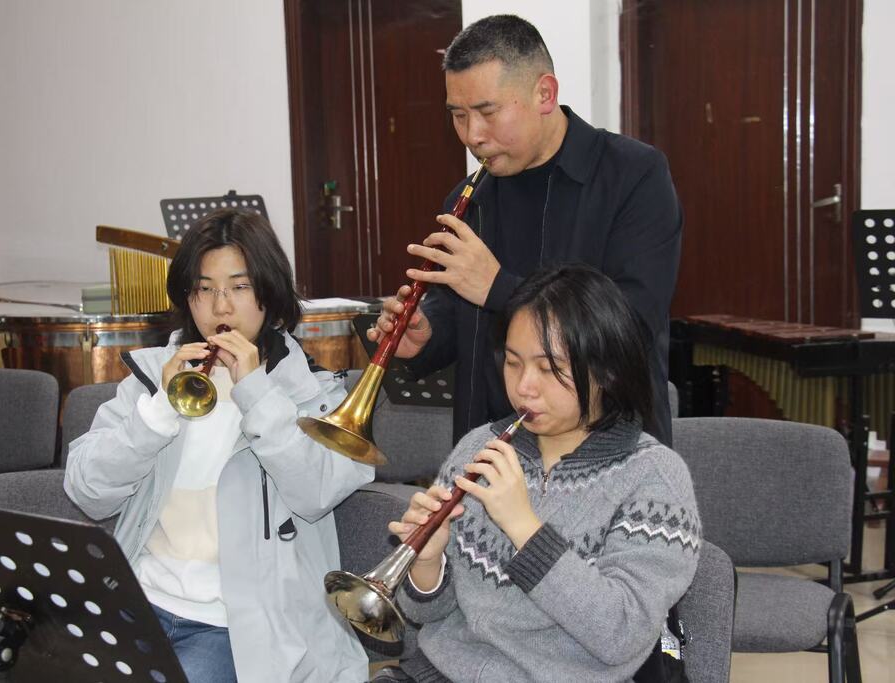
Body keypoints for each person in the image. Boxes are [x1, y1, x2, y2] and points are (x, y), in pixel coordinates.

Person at [64, 208, 374, 682]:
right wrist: (157, 412)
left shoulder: (316, 392)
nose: (221, 307)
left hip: (233, 625)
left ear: (269, 293)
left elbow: (314, 493)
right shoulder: (153, 376)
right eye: (204, 288)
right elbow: (87, 491)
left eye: (240, 287)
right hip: (138, 602)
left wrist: (256, 393)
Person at [368, 14, 682, 446]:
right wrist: (426, 334)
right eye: (458, 115)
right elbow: (459, 315)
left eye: (487, 112)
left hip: (608, 453)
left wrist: (499, 288)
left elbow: (630, 326)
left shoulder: (634, 176)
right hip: (493, 451)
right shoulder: (469, 199)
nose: (472, 135)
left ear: (544, 94)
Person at [379, 264, 700, 682]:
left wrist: (524, 528)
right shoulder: (479, 448)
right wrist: (428, 561)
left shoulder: (652, 476)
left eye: (549, 369)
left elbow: (620, 635)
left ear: (607, 370)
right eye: (513, 363)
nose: (524, 387)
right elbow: (427, 613)